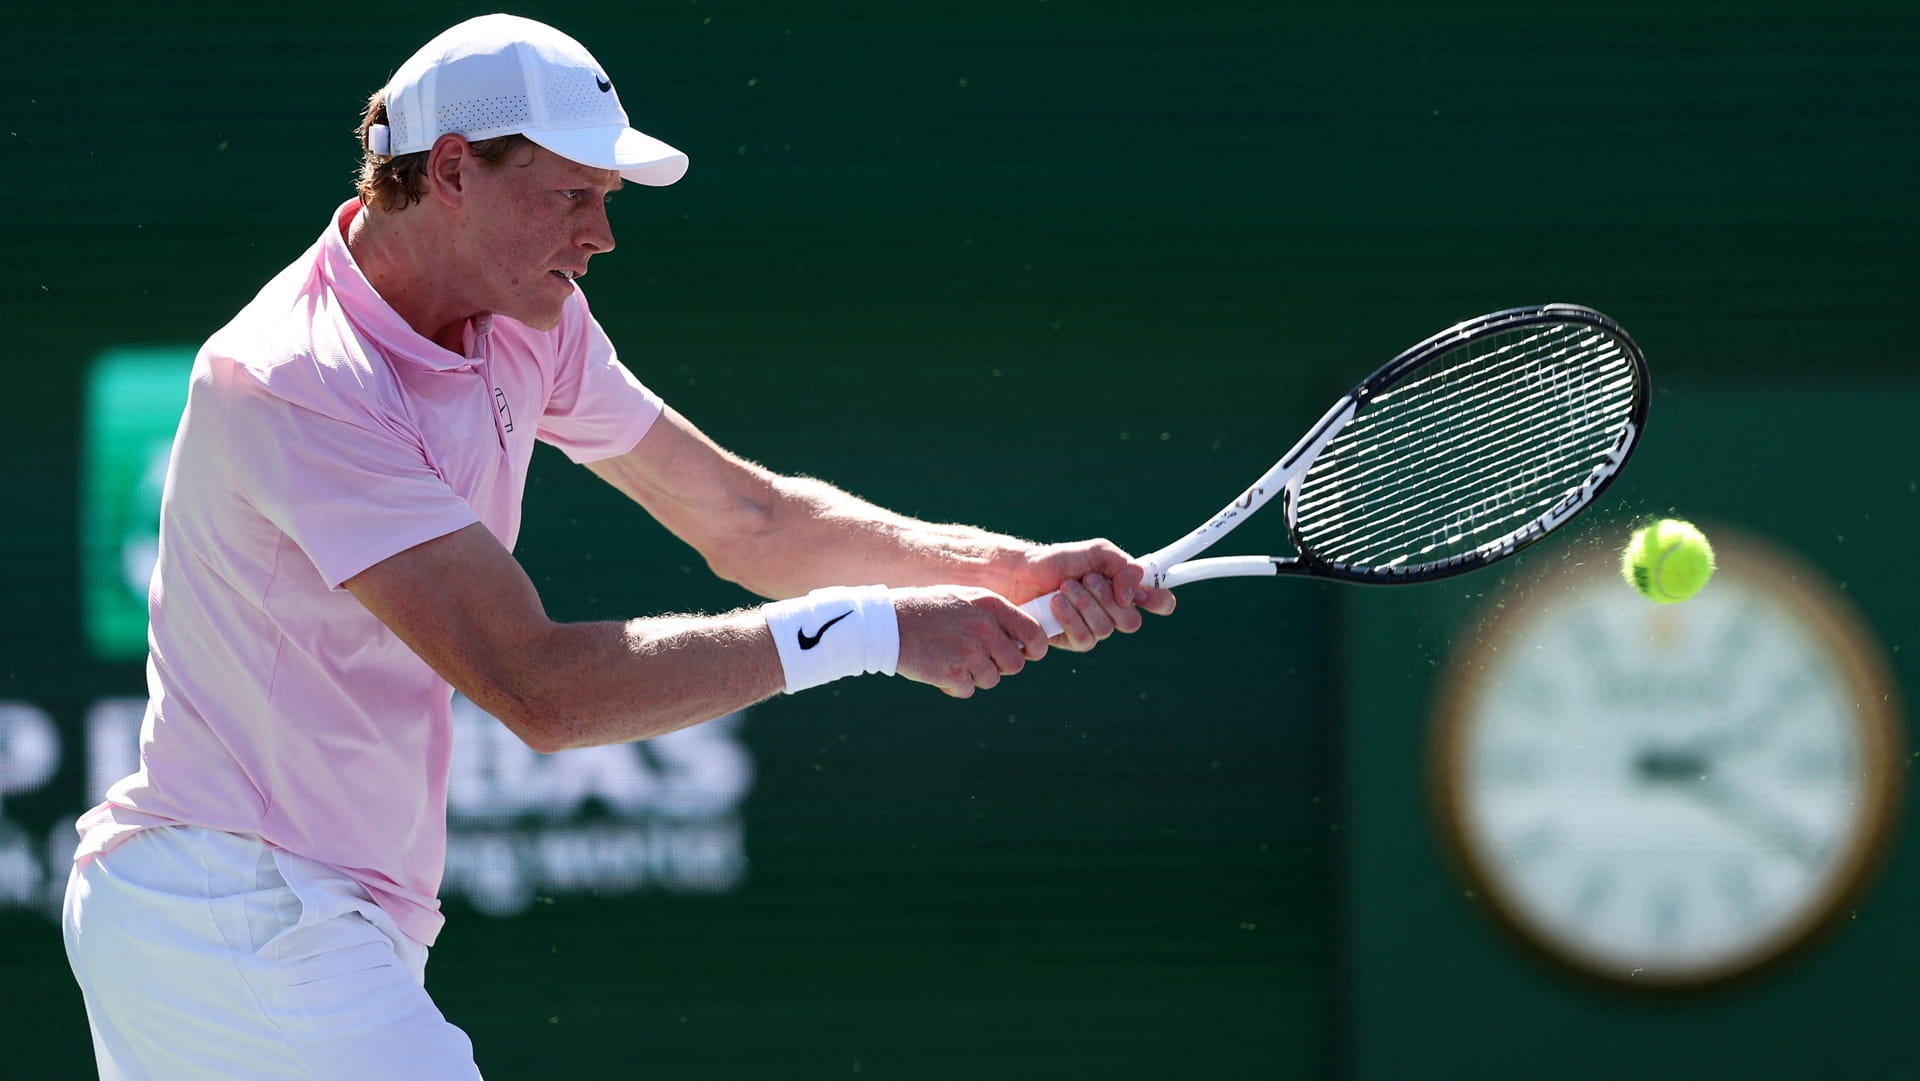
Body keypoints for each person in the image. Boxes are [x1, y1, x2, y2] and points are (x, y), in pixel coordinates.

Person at [60, 13, 1173, 1080]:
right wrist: (871, 631)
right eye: (570, 196)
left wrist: (1009, 569)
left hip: (287, 919)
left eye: (604, 199)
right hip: (237, 910)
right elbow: (540, 689)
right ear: (451, 171)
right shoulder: (297, 379)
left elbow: (748, 520)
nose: (600, 235)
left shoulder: (527, 320)